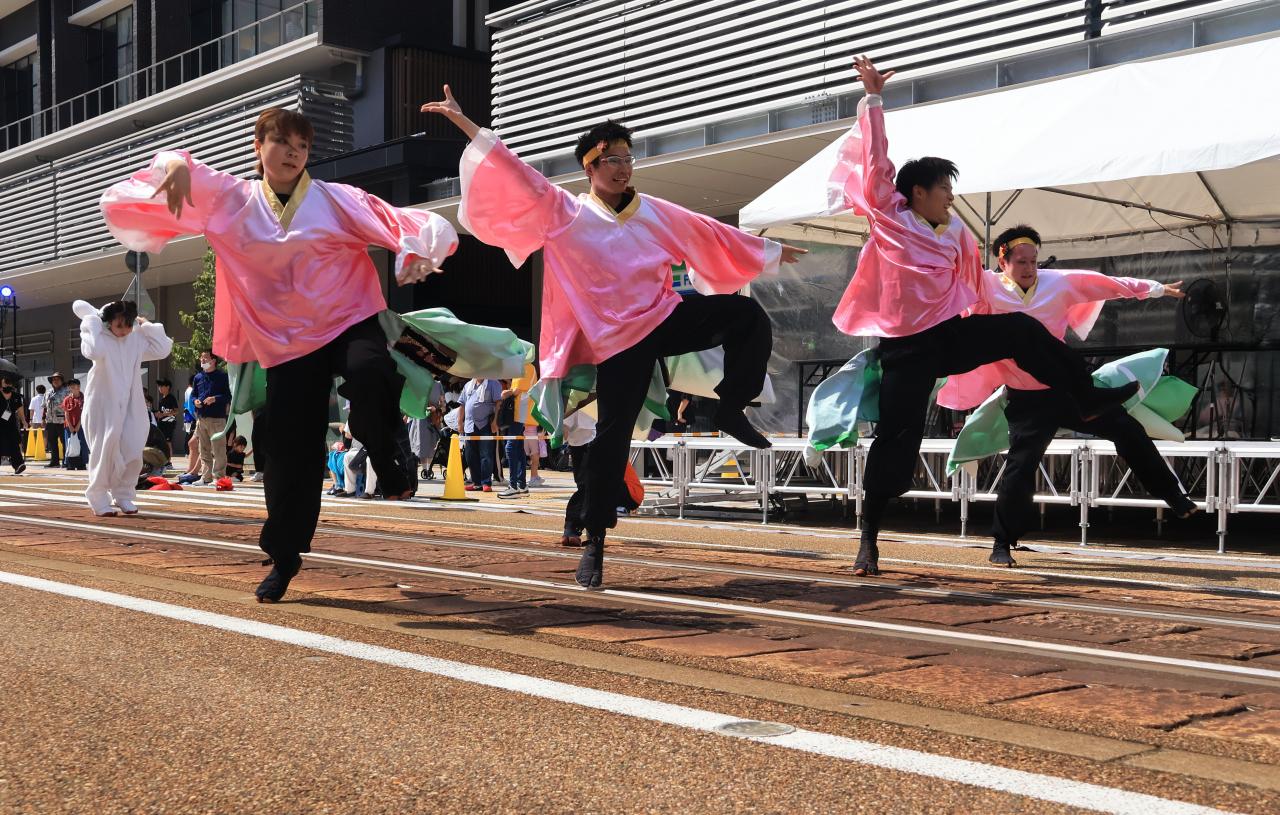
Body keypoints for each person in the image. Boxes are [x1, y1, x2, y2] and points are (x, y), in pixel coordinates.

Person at [423, 86, 806, 587]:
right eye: (612, 160)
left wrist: (768, 252)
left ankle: (731, 407)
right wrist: (466, 123)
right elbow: (513, 171)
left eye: (628, 159)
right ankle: (595, 541)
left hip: (663, 318)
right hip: (618, 342)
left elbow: (708, 232)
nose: (623, 168)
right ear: (590, 167)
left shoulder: (655, 211)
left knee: (747, 315)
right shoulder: (565, 213)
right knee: (611, 438)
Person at [101, 106, 458, 602]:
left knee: (370, 370)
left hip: (347, 317)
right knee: (290, 451)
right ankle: (284, 555)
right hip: (286, 342)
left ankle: (384, 451)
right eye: (283, 143)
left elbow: (399, 222)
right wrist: (175, 165)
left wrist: (416, 249)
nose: (294, 153)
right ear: (258, 147)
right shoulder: (232, 200)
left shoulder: (336, 199)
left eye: (303, 146)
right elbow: (175, 167)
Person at [829, 56, 1137, 577]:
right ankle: (868, 540)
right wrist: (874, 97)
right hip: (906, 348)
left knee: (1020, 329)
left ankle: (1084, 396)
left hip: (948, 336)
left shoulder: (957, 232)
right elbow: (877, 161)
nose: (951, 197)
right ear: (918, 193)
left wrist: (984, 322)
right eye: (944, 189)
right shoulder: (890, 216)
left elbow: (973, 285)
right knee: (896, 442)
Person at [938, 226, 1197, 566]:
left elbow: (1106, 284)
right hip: (1026, 400)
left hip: (1067, 391)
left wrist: (1155, 288)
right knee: (1020, 467)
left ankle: (1173, 495)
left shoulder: (1057, 283)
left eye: (1033, 261)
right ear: (1002, 261)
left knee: (1127, 429)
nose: (1030, 268)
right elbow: (952, 282)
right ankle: (1002, 542)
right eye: (1021, 262)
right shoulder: (986, 286)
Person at [75, 300, 173, 515]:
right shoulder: (99, 336)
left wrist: (148, 326)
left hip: (131, 401)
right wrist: (91, 322)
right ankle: (98, 496)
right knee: (104, 448)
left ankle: (124, 494)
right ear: (108, 322)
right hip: (103, 401)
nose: (124, 330)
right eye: (119, 325)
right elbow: (93, 351)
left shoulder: (135, 338)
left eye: (128, 324)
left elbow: (162, 349)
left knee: (133, 445)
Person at [191, 350, 231, 484]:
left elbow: (228, 396)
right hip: (201, 418)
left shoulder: (222, 376)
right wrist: (195, 401)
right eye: (201, 358)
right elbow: (194, 395)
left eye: (205, 358)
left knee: (219, 449)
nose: (202, 360)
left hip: (217, 419)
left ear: (213, 360)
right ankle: (205, 477)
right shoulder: (198, 377)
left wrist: (215, 399)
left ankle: (219, 477)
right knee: (203, 449)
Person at [459, 376, 501, 492]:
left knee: (486, 455)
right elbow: (462, 404)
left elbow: (498, 403)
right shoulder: (468, 385)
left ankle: (486, 482)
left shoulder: (493, 383)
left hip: (486, 424)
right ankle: (476, 482)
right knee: (470, 455)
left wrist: (495, 421)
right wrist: (459, 422)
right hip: (469, 425)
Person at [497, 379, 528, 498]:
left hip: (519, 413)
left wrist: (507, 392)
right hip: (519, 413)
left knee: (510, 448)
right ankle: (522, 485)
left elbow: (517, 390)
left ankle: (513, 486)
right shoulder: (524, 370)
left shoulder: (524, 370)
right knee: (518, 448)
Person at [0, 376, 27, 474]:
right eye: (5, 384)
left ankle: (18, 465)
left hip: (11, 423)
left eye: (9, 384)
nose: (8, 386)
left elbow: (20, 409)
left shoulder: (16, 396)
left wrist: (24, 421)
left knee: (14, 443)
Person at [62, 380, 88, 470]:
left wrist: (78, 425)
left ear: (79, 387)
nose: (72, 388)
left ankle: (82, 463)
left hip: (82, 425)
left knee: (83, 444)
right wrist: (70, 425)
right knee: (69, 444)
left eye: (74, 386)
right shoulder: (67, 399)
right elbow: (66, 413)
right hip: (69, 426)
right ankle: (70, 463)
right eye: (71, 386)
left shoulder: (85, 398)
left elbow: (84, 412)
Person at [44, 373, 68, 467]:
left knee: (64, 441)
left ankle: (66, 461)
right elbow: (45, 406)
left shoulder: (67, 391)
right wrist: (43, 419)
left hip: (62, 420)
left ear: (62, 381)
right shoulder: (48, 392)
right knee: (52, 442)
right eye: (54, 379)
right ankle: (54, 461)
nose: (56, 381)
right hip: (50, 421)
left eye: (58, 379)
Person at [154, 378, 179, 464]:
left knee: (168, 442)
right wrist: (158, 414)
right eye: (159, 386)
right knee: (162, 442)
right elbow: (161, 412)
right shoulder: (161, 399)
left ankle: (168, 462)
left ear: (168, 387)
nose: (160, 388)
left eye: (161, 386)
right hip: (162, 424)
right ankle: (164, 460)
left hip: (169, 423)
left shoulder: (171, 398)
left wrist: (163, 414)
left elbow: (176, 411)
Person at [27, 384, 46, 457]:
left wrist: (30, 419)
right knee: (45, 435)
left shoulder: (34, 399)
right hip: (45, 420)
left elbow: (31, 410)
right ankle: (44, 449)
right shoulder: (46, 398)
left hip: (35, 419)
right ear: (44, 390)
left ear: (37, 391)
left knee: (35, 435)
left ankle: (36, 449)